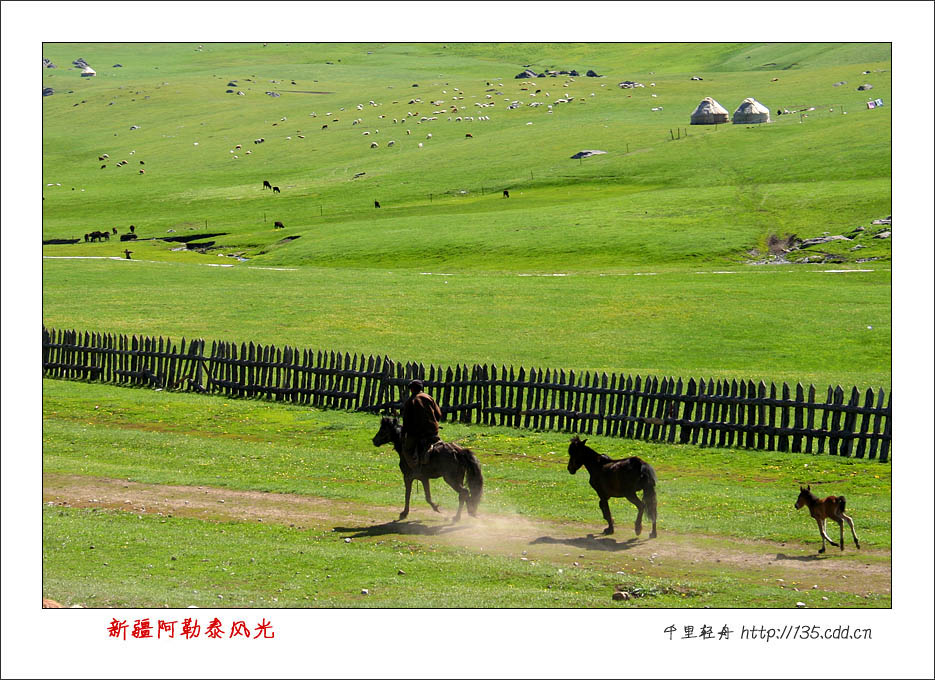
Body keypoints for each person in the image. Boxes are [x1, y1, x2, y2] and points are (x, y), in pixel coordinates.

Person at [401, 379, 442, 469]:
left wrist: (404, 434)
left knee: (407, 449)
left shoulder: (410, 401)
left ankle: (414, 468)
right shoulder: (429, 397)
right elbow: (439, 414)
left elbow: (406, 421)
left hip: (418, 433)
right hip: (433, 432)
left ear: (412, 389)